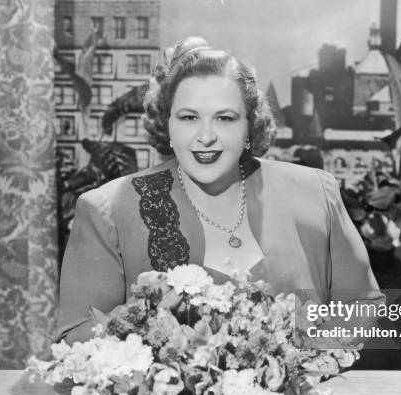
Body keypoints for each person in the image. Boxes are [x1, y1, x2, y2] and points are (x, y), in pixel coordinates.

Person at [57, 37, 384, 344]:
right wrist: (184, 364)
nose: (206, 136)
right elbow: (78, 331)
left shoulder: (315, 191)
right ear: (166, 123)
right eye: (188, 118)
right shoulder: (107, 209)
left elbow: (363, 304)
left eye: (225, 118)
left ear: (249, 125)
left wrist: (291, 360)